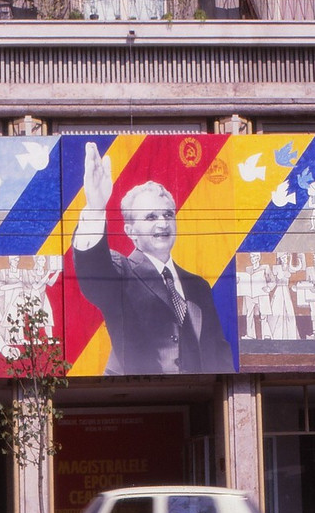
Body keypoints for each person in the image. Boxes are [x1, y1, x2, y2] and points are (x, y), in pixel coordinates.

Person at [70, 141, 234, 375]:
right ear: (130, 231)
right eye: (150, 217)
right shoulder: (121, 272)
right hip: (135, 391)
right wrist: (96, 208)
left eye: (168, 214)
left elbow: (218, 352)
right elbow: (94, 271)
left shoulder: (199, 286)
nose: (162, 223)